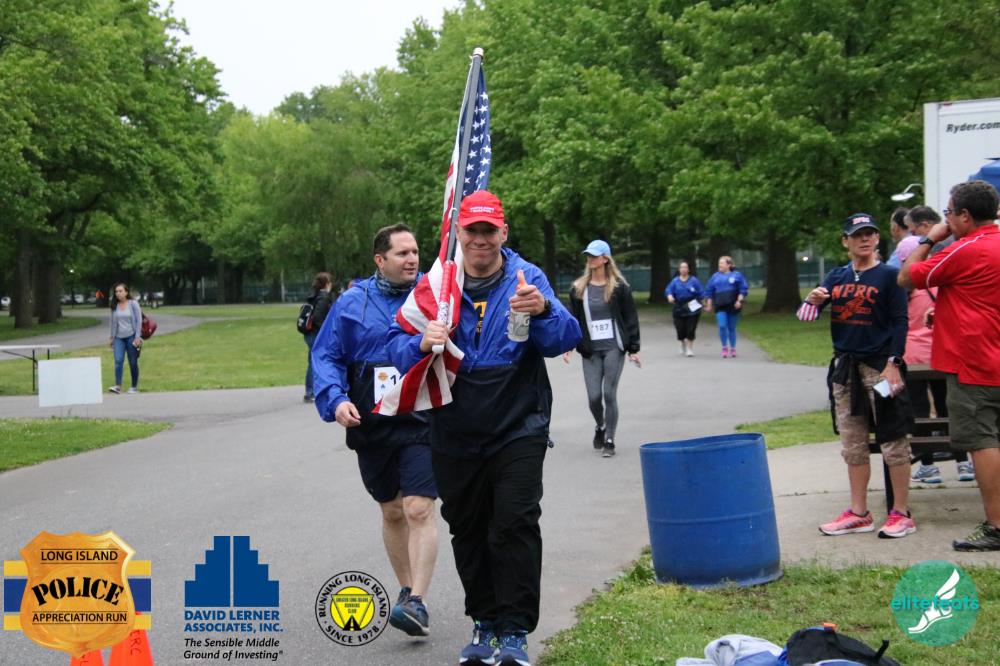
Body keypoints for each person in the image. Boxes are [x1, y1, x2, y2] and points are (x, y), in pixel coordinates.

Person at [388, 190, 581, 666]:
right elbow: (394, 345)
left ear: (503, 233)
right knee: (468, 529)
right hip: (453, 428)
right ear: (459, 233)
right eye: (471, 230)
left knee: (514, 524)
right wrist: (420, 343)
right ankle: (485, 623)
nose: (480, 239)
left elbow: (565, 338)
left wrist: (543, 310)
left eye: (488, 230)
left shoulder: (526, 277)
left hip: (518, 424)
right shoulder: (438, 283)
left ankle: (515, 631)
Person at [311, 224, 440, 635]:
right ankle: (406, 590)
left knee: (418, 507)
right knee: (392, 510)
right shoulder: (352, 302)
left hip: (422, 417)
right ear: (380, 260)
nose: (412, 259)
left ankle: (418, 601)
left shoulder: (434, 294)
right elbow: (327, 356)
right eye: (402, 253)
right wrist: (336, 400)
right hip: (372, 420)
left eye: (415, 251)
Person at [799, 213, 915, 539]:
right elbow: (805, 316)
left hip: (881, 367)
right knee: (853, 443)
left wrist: (894, 362)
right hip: (845, 369)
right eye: (857, 235)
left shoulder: (890, 276)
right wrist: (812, 300)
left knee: (893, 440)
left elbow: (900, 322)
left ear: (877, 238)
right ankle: (859, 513)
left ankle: (901, 513)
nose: (864, 239)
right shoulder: (836, 276)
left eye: (869, 234)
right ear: (845, 241)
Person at [899, 180, 1000, 551]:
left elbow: (906, 276)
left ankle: (997, 526)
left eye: (949, 213)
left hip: (975, 364)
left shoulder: (963, 248)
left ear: (964, 216)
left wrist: (929, 239)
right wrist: (944, 310)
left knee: (982, 441)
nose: (947, 220)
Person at [894, 222, 974, 485]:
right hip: (940, 355)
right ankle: (962, 462)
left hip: (911, 358)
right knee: (947, 408)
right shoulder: (940, 283)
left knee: (918, 412)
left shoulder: (903, 290)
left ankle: (927, 465)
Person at [564, 240, 640, 458]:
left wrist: (634, 348)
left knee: (609, 393)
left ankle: (610, 440)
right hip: (590, 349)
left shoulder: (619, 288)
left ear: (605, 259)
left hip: (614, 347)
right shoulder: (579, 289)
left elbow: (630, 317)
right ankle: (600, 425)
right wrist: (568, 345)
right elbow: (572, 319)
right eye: (588, 255)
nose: (590, 259)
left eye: (595, 256)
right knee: (594, 397)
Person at [704, 256, 749, 358]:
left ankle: (733, 348)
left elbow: (743, 290)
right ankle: (724, 347)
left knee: (732, 328)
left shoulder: (737, 275)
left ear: (729, 265)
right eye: (719, 263)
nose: (719, 265)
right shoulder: (715, 276)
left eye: (722, 263)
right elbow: (709, 291)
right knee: (722, 326)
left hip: (733, 306)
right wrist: (709, 305)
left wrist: (739, 301)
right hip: (720, 306)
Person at [302, 272, 334, 402]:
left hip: (310, 333)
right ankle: (311, 392)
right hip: (317, 334)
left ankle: (312, 390)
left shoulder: (313, 295)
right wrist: (325, 333)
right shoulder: (324, 297)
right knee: (316, 363)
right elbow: (318, 317)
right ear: (327, 283)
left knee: (313, 362)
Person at [664, 260, 704, 357]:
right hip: (679, 306)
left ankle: (690, 348)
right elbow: (668, 290)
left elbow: (701, 293)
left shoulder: (694, 281)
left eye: (685, 267)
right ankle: (682, 342)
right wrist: (670, 296)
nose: (683, 269)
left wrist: (705, 303)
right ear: (679, 269)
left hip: (692, 305)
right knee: (680, 329)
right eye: (681, 267)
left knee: (691, 328)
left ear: (688, 269)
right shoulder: (675, 281)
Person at [108, 282, 142, 394]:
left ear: (126, 292)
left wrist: (137, 337)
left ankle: (134, 387)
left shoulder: (133, 304)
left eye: (120, 291)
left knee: (133, 362)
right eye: (116, 291)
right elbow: (112, 322)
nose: (118, 293)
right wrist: (111, 337)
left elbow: (138, 320)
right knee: (118, 360)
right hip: (118, 338)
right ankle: (118, 386)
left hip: (131, 337)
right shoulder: (114, 305)